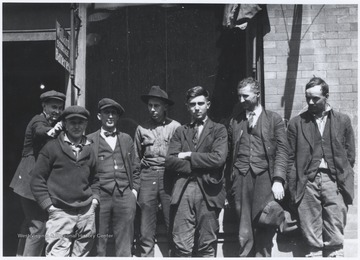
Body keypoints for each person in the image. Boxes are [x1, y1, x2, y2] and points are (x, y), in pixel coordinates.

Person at [287, 77, 355, 257]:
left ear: (326, 96)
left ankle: (335, 253)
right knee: (310, 227)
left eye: (315, 98)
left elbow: (350, 154)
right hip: (307, 181)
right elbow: (290, 157)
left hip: (334, 180)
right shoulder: (296, 123)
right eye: (307, 97)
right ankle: (314, 254)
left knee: (335, 222)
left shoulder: (342, 120)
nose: (310, 102)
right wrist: (294, 185)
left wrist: (342, 175)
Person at [226, 77, 289, 257]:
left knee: (265, 221)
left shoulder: (273, 119)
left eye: (245, 96)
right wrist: (230, 182)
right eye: (239, 96)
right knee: (244, 225)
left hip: (265, 178)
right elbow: (230, 154)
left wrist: (278, 179)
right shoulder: (235, 121)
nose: (241, 100)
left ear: (258, 94)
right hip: (241, 177)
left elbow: (283, 152)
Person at [165, 86, 228, 257]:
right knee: (181, 244)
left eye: (201, 103)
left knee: (207, 244)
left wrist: (189, 156)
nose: (197, 107)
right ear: (187, 106)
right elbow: (170, 161)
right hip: (184, 189)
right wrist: (199, 162)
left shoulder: (219, 129)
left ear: (208, 104)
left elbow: (218, 159)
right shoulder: (181, 131)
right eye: (192, 104)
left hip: (208, 190)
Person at [30, 105, 100, 256]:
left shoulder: (90, 148)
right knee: (57, 255)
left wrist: (94, 202)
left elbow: (95, 179)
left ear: (86, 125)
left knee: (81, 254)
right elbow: (37, 180)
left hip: (86, 213)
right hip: (60, 213)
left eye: (80, 122)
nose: (76, 126)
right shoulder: (51, 147)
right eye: (72, 122)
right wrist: (49, 207)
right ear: (65, 124)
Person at [9, 90, 65, 256]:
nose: (57, 111)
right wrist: (55, 130)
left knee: (29, 223)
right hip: (29, 181)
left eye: (60, 108)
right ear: (44, 106)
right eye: (53, 107)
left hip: (31, 181)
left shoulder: (48, 121)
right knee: (39, 227)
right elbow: (40, 131)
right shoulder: (38, 120)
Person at [87, 98, 140, 256]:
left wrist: (134, 192)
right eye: (106, 113)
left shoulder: (126, 139)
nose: (110, 116)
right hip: (100, 194)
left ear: (117, 117)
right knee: (100, 239)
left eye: (114, 113)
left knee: (125, 241)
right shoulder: (90, 140)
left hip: (124, 194)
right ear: (99, 116)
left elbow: (136, 166)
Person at [134, 86, 181, 257]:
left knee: (173, 222)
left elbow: (180, 158)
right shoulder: (141, 129)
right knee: (146, 227)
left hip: (169, 177)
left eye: (156, 106)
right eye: (150, 106)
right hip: (147, 176)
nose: (152, 110)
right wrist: (136, 185)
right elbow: (136, 160)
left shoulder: (176, 127)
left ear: (165, 107)